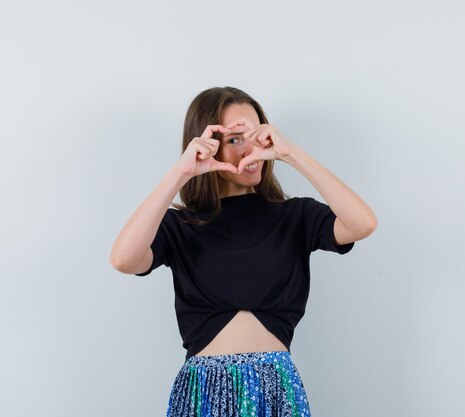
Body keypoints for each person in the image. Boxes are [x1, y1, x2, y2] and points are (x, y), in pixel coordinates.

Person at [109, 86, 377, 416]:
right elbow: (124, 259)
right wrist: (180, 173)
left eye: (255, 135)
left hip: (275, 389)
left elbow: (362, 223)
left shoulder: (295, 216)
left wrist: (290, 153)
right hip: (204, 391)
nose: (249, 148)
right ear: (207, 146)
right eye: (234, 139)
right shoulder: (182, 226)